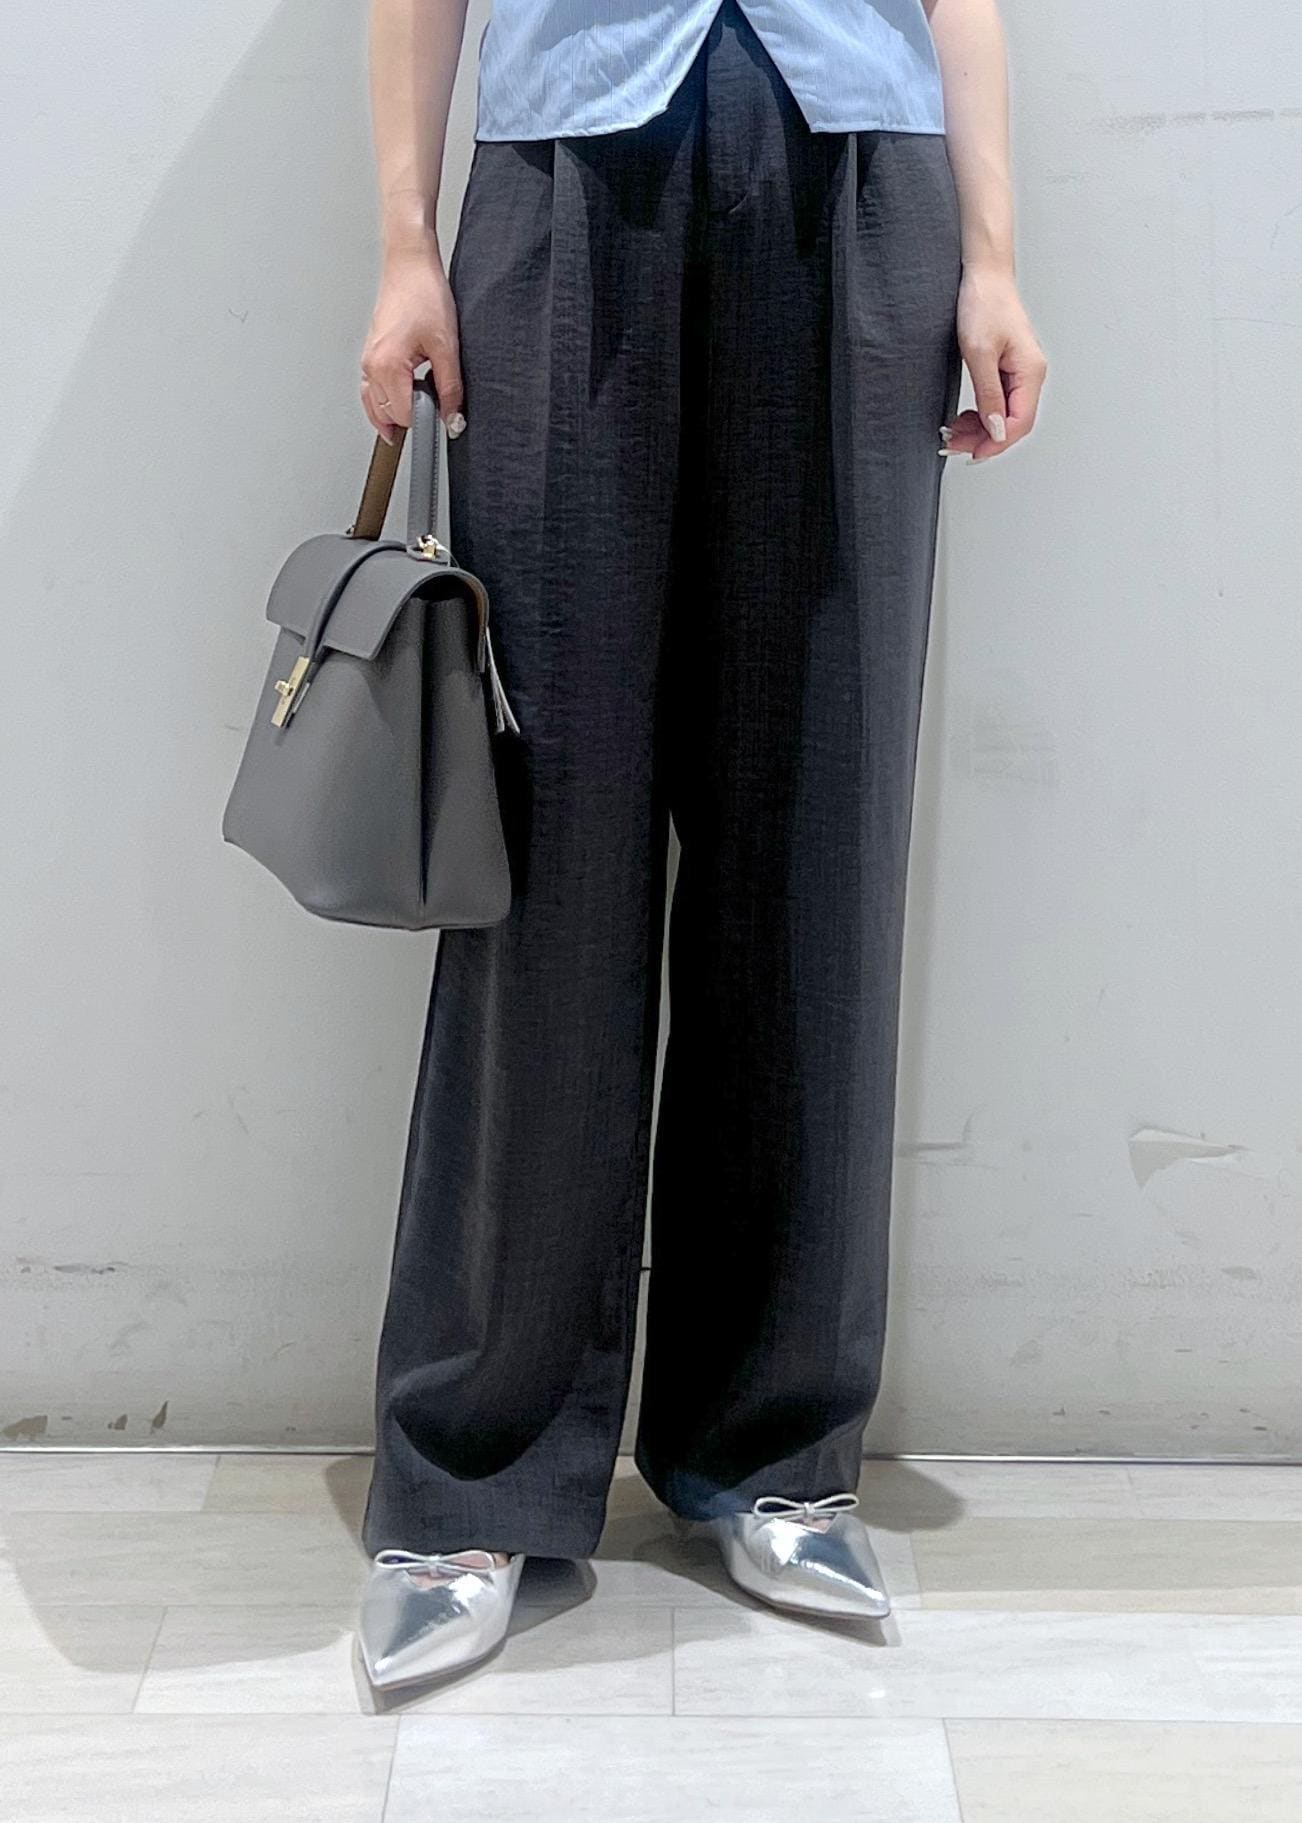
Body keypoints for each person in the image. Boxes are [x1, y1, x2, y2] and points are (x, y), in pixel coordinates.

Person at [355, 0, 1045, 1693]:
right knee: (544, 844)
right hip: (562, 182)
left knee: (819, 835)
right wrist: (405, 246)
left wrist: (990, 255)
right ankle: (471, 1473)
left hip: (857, 187)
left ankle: (775, 1446)